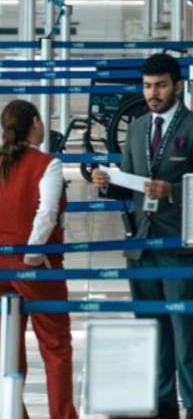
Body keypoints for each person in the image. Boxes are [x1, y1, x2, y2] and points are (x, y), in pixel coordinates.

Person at [93, 54, 193, 419]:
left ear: (177, 86)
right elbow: (132, 182)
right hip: (141, 245)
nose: (153, 93)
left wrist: (173, 191)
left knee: (185, 333)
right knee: (151, 329)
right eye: (148, 86)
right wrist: (108, 183)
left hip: (178, 246)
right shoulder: (136, 128)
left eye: (161, 85)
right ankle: (162, 402)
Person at [0, 100, 78, 419]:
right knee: (55, 344)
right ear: (34, 123)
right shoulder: (48, 163)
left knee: (8, 346)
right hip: (35, 268)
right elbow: (46, 213)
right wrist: (33, 253)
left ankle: (13, 411)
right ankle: (62, 415)